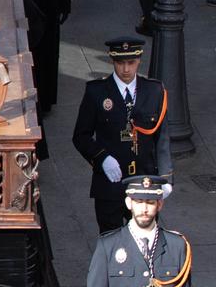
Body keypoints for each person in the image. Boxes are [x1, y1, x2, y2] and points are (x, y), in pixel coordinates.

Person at [73, 38, 172, 233]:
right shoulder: (97, 92)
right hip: (110, 183)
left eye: (131, 63)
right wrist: (102, 158)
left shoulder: (154, 90)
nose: (125, 69)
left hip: (144, 180)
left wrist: (166, 178)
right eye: (120, 63)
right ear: (112, 61)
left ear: (139, 61)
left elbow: (162, 138)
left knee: (145, 239)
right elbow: (81, 136)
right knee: (111, 240)